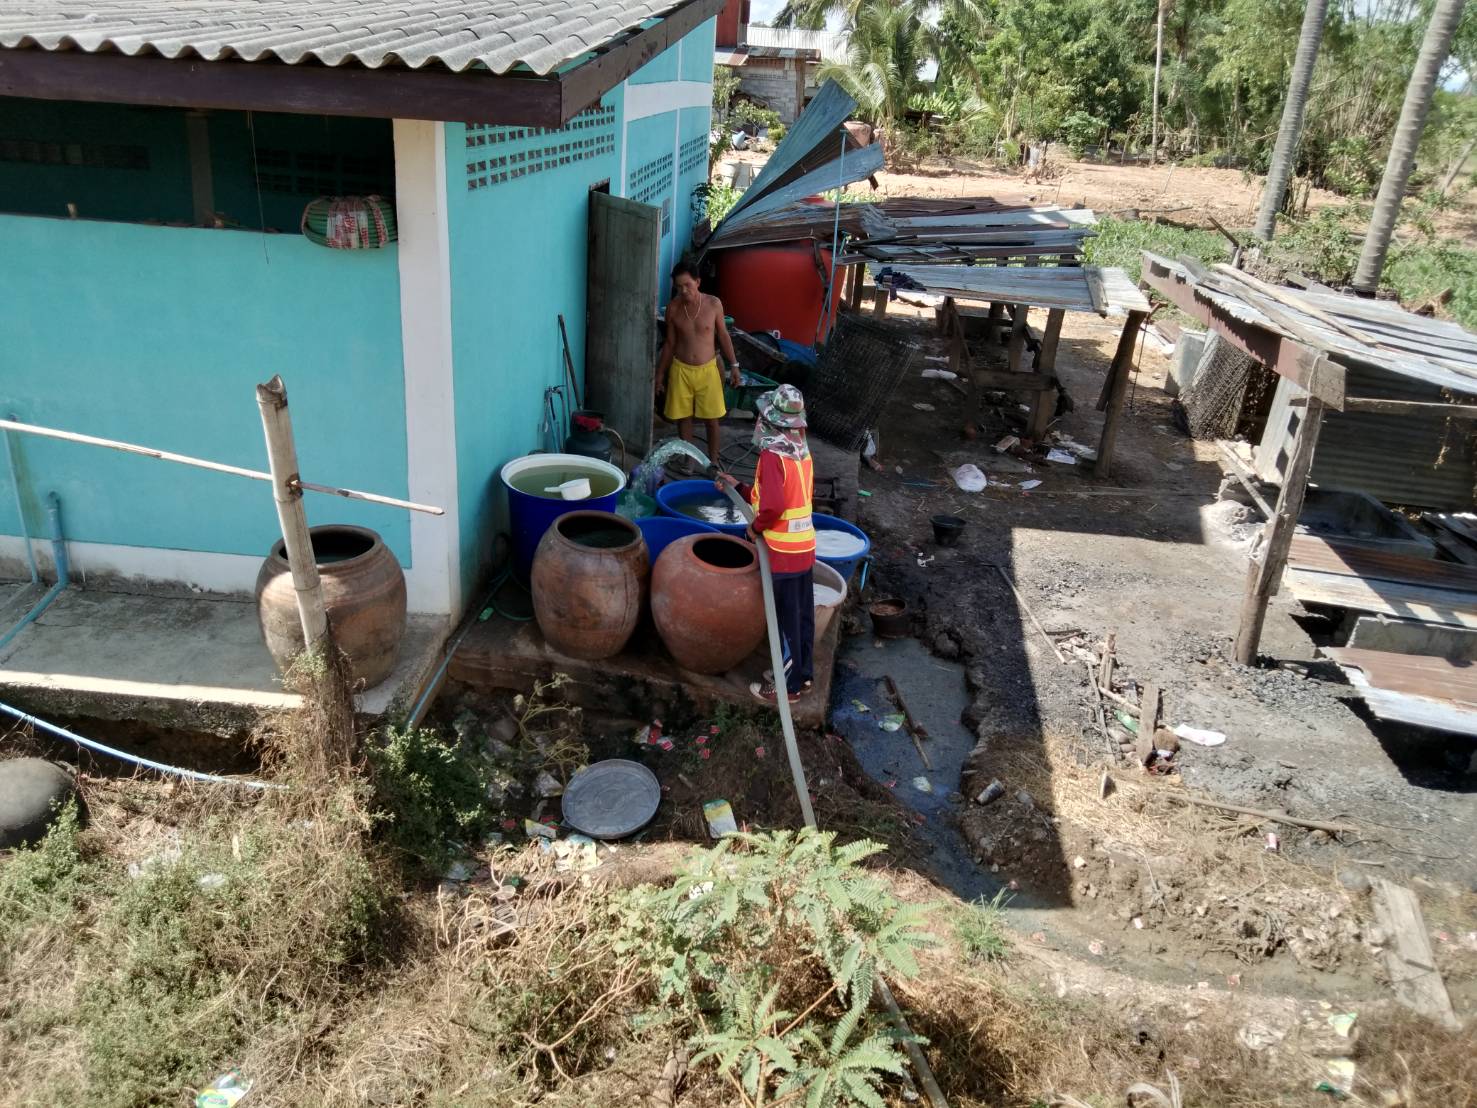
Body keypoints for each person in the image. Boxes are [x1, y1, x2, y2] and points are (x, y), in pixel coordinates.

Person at [716, 385, 815, 706]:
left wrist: (754, 528)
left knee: (785, 622)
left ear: (769, 421)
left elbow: (772, 507)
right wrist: (741, 487)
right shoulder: (801, 451)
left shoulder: (772, 456)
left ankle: (788, 689)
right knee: (801, 617)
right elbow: (775, 496)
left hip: (783, 553)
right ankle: (803, 675)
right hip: (804, 548)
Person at [656, 259, 741, 466]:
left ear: (698, 282)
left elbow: (723, 335)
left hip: (708, 370)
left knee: (711, 419)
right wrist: (660, 374)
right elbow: (670, 343)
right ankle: (690, 459)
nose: (683, 291)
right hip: (680, 370)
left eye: (687, 285)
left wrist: (734, 366)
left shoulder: (713, 304)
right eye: (679, 287)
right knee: (683, 418)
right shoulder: (673, 308)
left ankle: (713, 461)